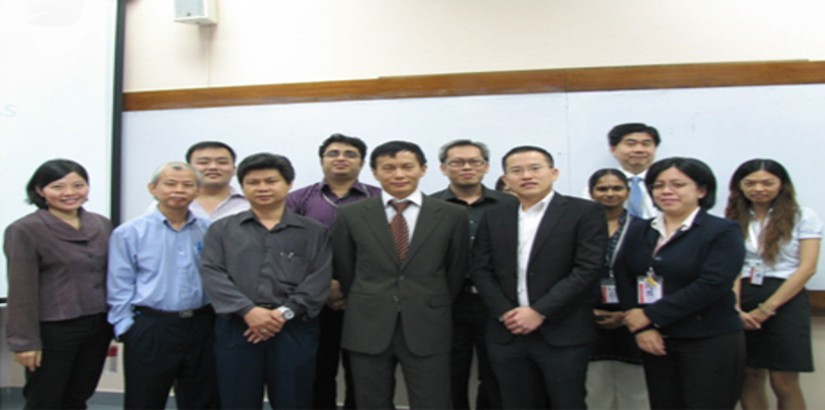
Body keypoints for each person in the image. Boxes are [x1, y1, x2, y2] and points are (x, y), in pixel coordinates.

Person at [331, 140, 470, 409]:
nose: (398, 174)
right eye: (388, 168)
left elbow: (455, 270)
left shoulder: (452, 215)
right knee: (371, 402)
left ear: (423, 169)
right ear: (374, 173)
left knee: (433, 401)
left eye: (407, 167)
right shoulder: (350, 215)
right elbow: (346, 268)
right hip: (368, 323)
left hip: (428, 322)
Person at [471, 146, 607, 409]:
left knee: (567, 402)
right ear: (506, 179)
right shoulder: (495, 215)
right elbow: (480, 269)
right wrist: (505, 312)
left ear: (553, 172)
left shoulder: (584, 212)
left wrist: (539, 311)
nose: (526, 175)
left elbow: (587, 268)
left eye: (535, 168)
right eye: (516, 170)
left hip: (562, 331)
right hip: (507, 331)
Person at [200, 153, 332, 409]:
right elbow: (212, 274)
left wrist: (283, 314)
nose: (262, 188)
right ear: (242, 187)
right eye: (253, 182)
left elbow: (319, 278)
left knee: (294, 400)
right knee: (238, 401)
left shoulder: (314, 231)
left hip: (294, 329)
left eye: (271, 181)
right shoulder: (221, 230)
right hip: (238, 329)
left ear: (288, 184)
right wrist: (248, 310)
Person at [615, 157, 746, 409]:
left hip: (708, 338)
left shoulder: (722, 230)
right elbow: (623, 274)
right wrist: (641, 326)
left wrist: (650, 315)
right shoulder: (640, 229)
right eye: (658, 185)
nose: (666, 191)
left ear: (702, 190)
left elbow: (712, 283)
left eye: (678, 184)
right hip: (655, 339)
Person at [107, 162, 219, 409]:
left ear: (197, 191)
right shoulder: (129, 232)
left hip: (202, 324)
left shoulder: (208, 230)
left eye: (187, 185)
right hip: (152, 326)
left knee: (203, 399)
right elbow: (119, 283)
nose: (179, 190)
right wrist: (126, 328)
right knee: (144, 400)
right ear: (153, 189)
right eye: (170, 183)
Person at [4, 159, 113, 409]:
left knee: (79, 395)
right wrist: (25, 342)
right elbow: (21, 290)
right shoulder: (25, 229)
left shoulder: (101, 224)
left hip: (98, 324)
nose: (70, 193)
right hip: (54, 330)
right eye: (58, 186)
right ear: (40, 190)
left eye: (78, 185)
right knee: (46, 398)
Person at [287, 133, 381, 410]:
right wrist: (325, 285)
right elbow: (289, 248)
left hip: (365, 299)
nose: (341, 158)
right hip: (312, 299)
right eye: (333, 153)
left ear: (362, 163)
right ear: (321, 160)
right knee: (318, 369)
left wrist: (348, 287)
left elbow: (385, 252)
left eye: (350, 154)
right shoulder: (298, 200)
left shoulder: (379, 199)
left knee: (363, 373)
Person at [726, 159, 822, 410]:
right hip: (743, 296)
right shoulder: (731, 218)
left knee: (783, 380)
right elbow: (732, 267)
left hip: (785, 299)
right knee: (749, 376)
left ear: (782, 185)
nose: (759, 188)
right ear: (740, 187)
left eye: (767, 182)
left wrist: (766, 308)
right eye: (751, 183)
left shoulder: (803, 215)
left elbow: (807, 267)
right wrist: (735, 308)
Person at [431, 139, 516, 410]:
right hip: (447, 304)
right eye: (457, 162)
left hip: (497, 304)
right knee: (449, 375)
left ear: (486, 167)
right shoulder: (429, 207)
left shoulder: (509, 205)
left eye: (474, 162)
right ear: (443, 168)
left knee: (497, 375)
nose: (466, 167)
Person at [584, 168, 648, 410]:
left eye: (617, 188)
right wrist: (586, 310)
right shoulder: (579, 227)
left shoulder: (644, 228)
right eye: (602, 188)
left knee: (635, 389)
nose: (610, 194)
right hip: (588, 314)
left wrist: (630, 313)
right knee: (595, 389)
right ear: (591, 193)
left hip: (633, 313)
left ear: (628, 192)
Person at [145, 141, 248, 220]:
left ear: (234, 170)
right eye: (203, 162)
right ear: (189, 168)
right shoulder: (162, 206)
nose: (213, 167)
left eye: (222, 162)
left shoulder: (248, 205)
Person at [604, 123, 661, 218]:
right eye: (631, 144)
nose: (639, 149)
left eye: (646, 144)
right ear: (613, 149)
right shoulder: (601, 184)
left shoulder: (667, 183)